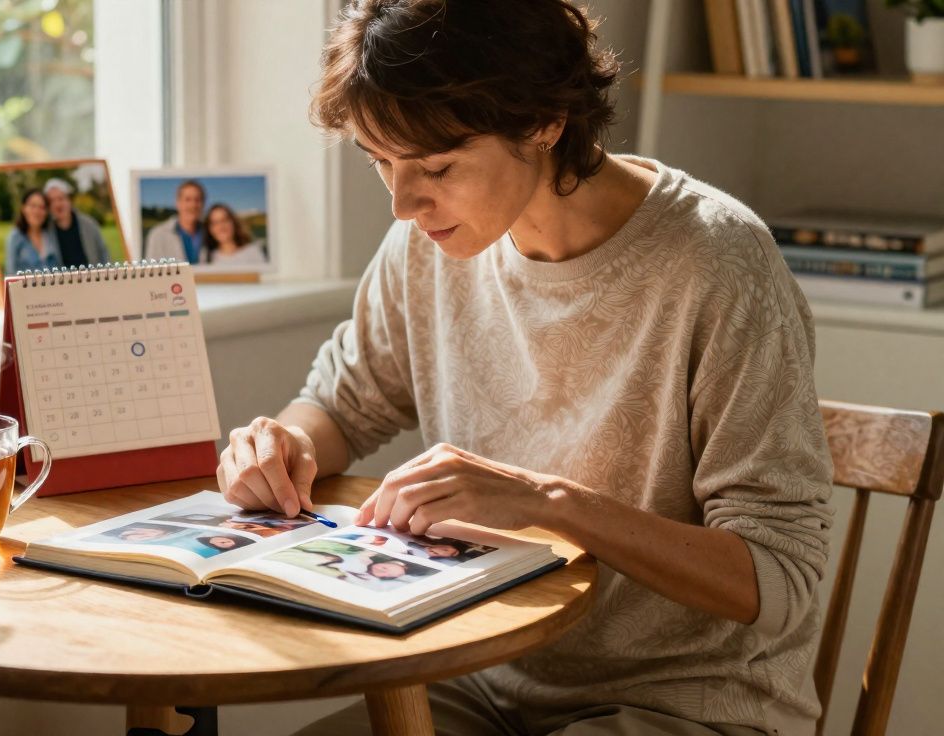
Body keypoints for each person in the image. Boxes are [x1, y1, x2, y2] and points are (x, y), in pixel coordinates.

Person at [219, 2, 833, 735]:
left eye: (437, 166)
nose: (402, 203)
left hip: (682, 700)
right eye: (380, 161)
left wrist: (549, 501)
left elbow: (778, 577)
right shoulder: (429, 247)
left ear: (544, 121)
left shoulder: (719, 264)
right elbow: (344, 404)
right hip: (478, 678)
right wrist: (285, 444)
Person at [43, 178, 111, 269]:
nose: (57, 204)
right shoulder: (45, 230)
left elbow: (104, 255)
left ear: (69, 200)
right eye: (52, 201)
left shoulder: (89, 224)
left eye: (61, 198)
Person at [143, 179, 205, 263]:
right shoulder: (157, 234)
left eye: (197, 200)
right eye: (188, 199)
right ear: (178, 203)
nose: (193, 205)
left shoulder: (211, 232)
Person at [6, 189, 61, 273]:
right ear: (23, 208)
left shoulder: (51, 235)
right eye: (32, 206)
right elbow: (11, 273)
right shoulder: (15, 237)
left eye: (42, 207)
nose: (37, 211)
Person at [202, 203, 268, 267]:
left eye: (224, 220)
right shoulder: (206, 257)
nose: (221, 227)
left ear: (233, 222)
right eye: (215, 223)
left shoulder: (253, 252)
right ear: (209, 229)